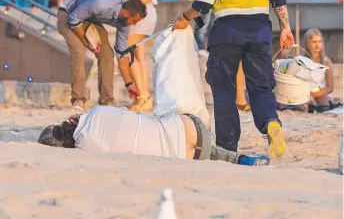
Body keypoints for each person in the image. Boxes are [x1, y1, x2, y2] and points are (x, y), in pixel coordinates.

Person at [172, 0, 295, 158]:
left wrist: (184, 17)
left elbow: (203, 5)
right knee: (261, 86)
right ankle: (270, 122)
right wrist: (286, 29)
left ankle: (228, 146)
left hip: (226, 34)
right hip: (260, 32)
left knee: (224, 89)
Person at [38, 105, 270, 167]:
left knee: (198, 151)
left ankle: (237, 159)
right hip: (192, 124)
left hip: (193, 154)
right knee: (160, 124)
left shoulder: (87, 147)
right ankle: (238, 158)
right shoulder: (97, 111)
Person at [85, 0, 157, 111]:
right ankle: (144, 96)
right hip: (127, 15)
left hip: (142, 13)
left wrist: (131, 8)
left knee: (130, 53)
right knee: (138, 55)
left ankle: (142, 96)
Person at [57, 0, 147, 110]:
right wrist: (87, 42)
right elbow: (74, 19)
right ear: (126, 14)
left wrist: (128, 83)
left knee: (107, 54)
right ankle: (78, 99)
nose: (134, 24)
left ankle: (107, 100)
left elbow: (122, 55)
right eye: (135, 20)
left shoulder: (125, 24)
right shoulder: (101, 3)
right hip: (68, 13)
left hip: (90, 19)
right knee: (79, 51)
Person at [304, 28, 335, 107]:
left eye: (319, 41)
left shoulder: (326, 61)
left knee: (326, 104)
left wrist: (315, 95)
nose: (317, 45)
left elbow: (330, 87)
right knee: (308, 105)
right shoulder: (302, 61)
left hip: (322, 93)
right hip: (305, 94)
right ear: (307, 43)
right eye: (314, 42)